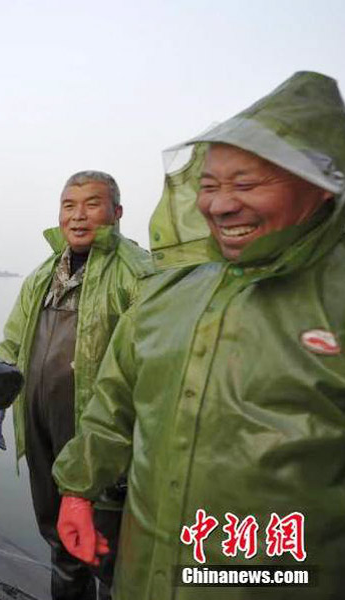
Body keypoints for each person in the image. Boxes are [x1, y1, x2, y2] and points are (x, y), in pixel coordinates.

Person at [53, 72, 345, 600]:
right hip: (145, 576)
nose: (220, 205)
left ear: (320, 187)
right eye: (208, 186)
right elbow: (113, 406)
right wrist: (77, 490)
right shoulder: (170, 293)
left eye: (247, 184)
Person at [0, 171, 152, 600]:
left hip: (103, 441)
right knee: (59, 541)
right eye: (69, 205)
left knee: (109, 551)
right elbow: (11, 344)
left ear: (117, 213)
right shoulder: (43, 275)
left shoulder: (139, 274)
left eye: (92, 204)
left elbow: (153, 367)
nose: (78, 216)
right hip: (43, 432)